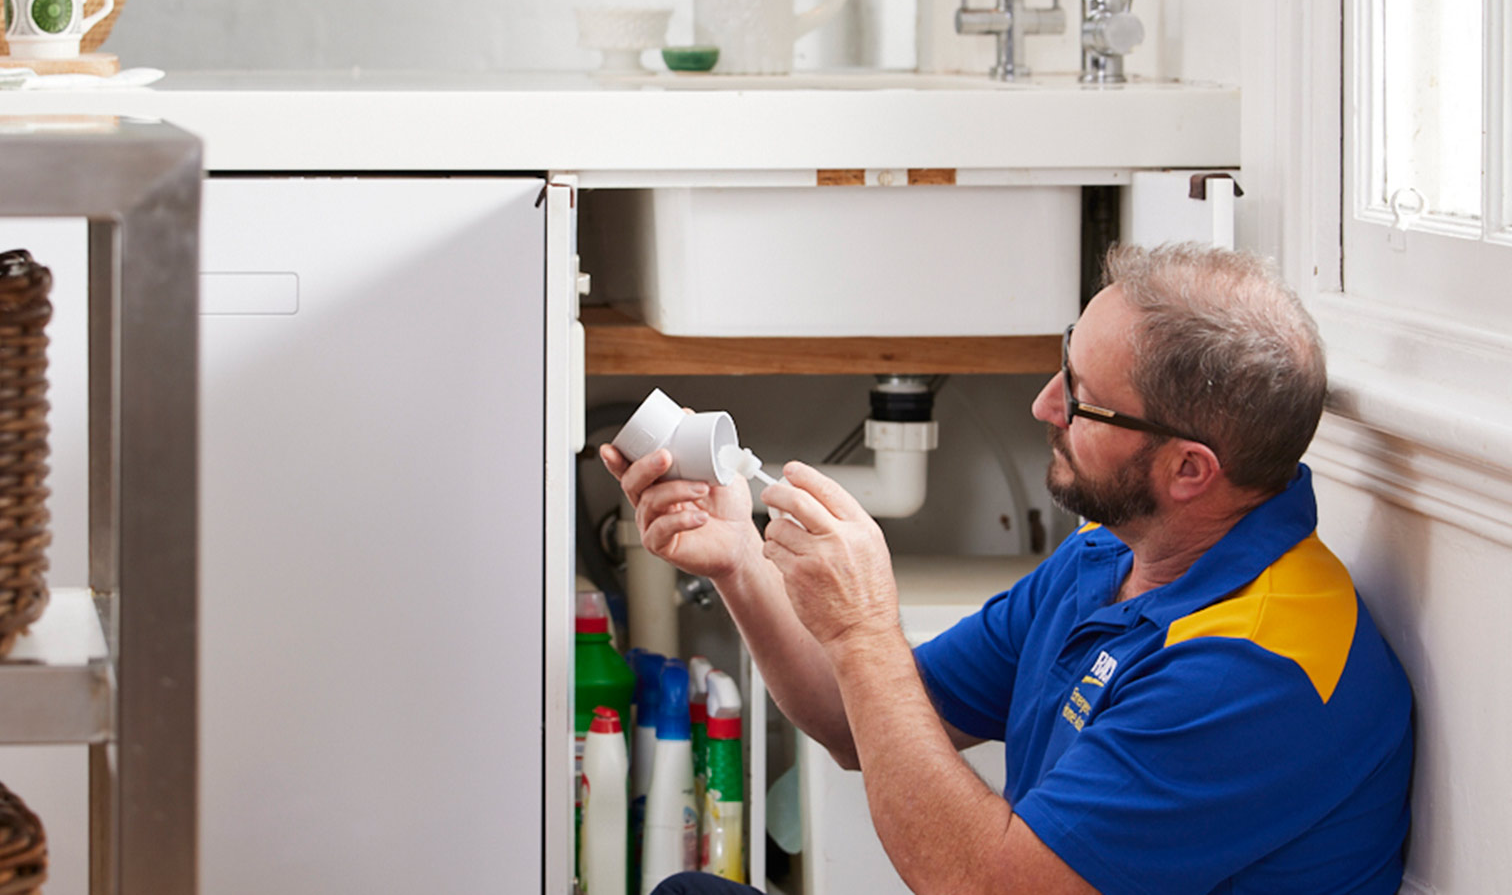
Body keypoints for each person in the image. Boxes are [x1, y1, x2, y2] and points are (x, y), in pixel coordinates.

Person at [599, 243, 1413, 895]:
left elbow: (986, 885)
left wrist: (864, 628)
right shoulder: (1113, 557)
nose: (1045, 404)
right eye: (1067, 358)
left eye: (1084, 399)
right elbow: (860, 725)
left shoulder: (1254, 670)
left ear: (1189, 471)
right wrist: (741, 560)